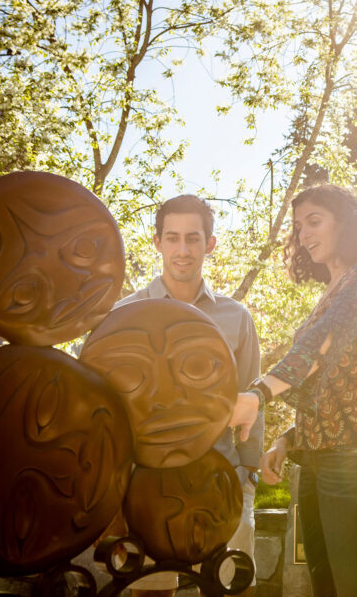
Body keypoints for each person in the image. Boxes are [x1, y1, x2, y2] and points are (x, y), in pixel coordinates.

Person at [230, 184, 357, 597]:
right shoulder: (332, 290)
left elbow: (320, 345)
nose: (303, 234)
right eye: (298, 226)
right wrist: (289, 440)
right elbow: (329, 383)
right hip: (319, 458)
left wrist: (257, 395)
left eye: (314, 221)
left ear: (344, 223)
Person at [121, 194, 263, 597]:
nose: (183, 250)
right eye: (173, 238)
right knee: (152, 589)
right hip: (146, 479)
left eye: (193, 238)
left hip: (221, 475)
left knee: (232, 588)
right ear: (157, 242)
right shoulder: (125, 314)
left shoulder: (236, 317)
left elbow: (252, 393)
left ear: (210, 244)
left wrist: (249, 473)